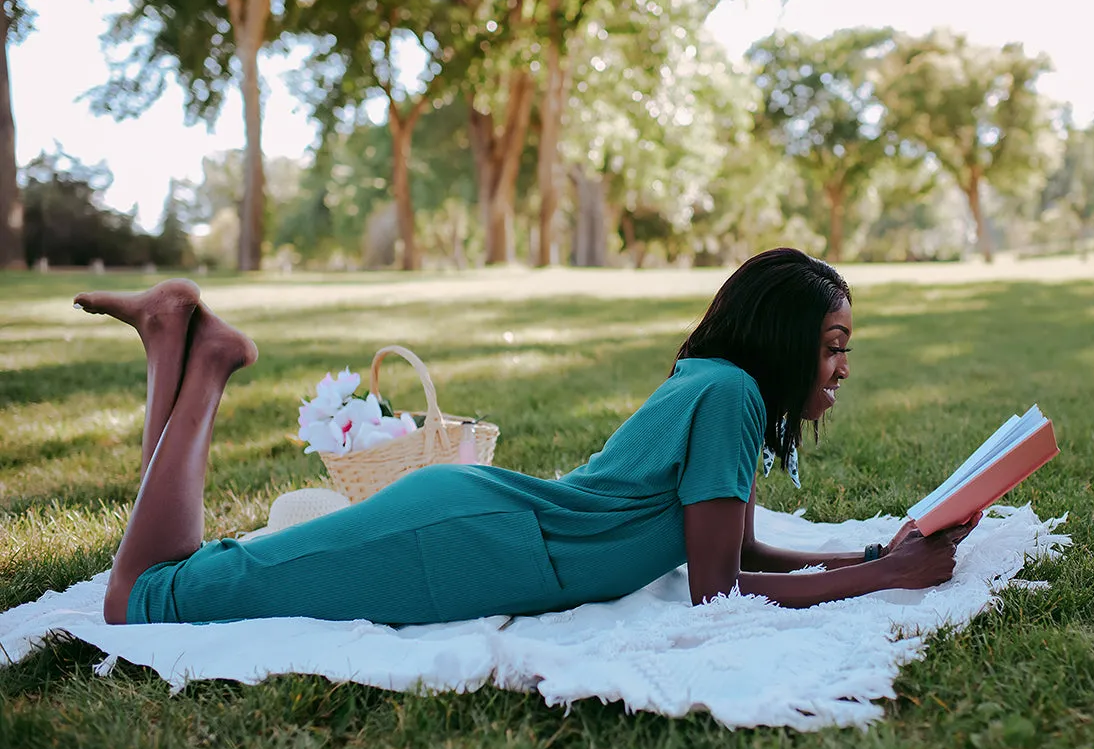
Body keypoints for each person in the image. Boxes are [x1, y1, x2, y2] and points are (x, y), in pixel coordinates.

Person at [78, 248, 976, 627]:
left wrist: (865, 554)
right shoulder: (732, 393)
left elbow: (740, 551)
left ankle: (171, 338)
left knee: (174, 577)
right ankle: (206, 363)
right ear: (785, 344)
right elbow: (718, 592)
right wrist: (886, 577)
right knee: (143, 602)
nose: (840, 370)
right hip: (465, 539)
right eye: (833, 347)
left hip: (485, 529)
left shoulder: (719, 388)